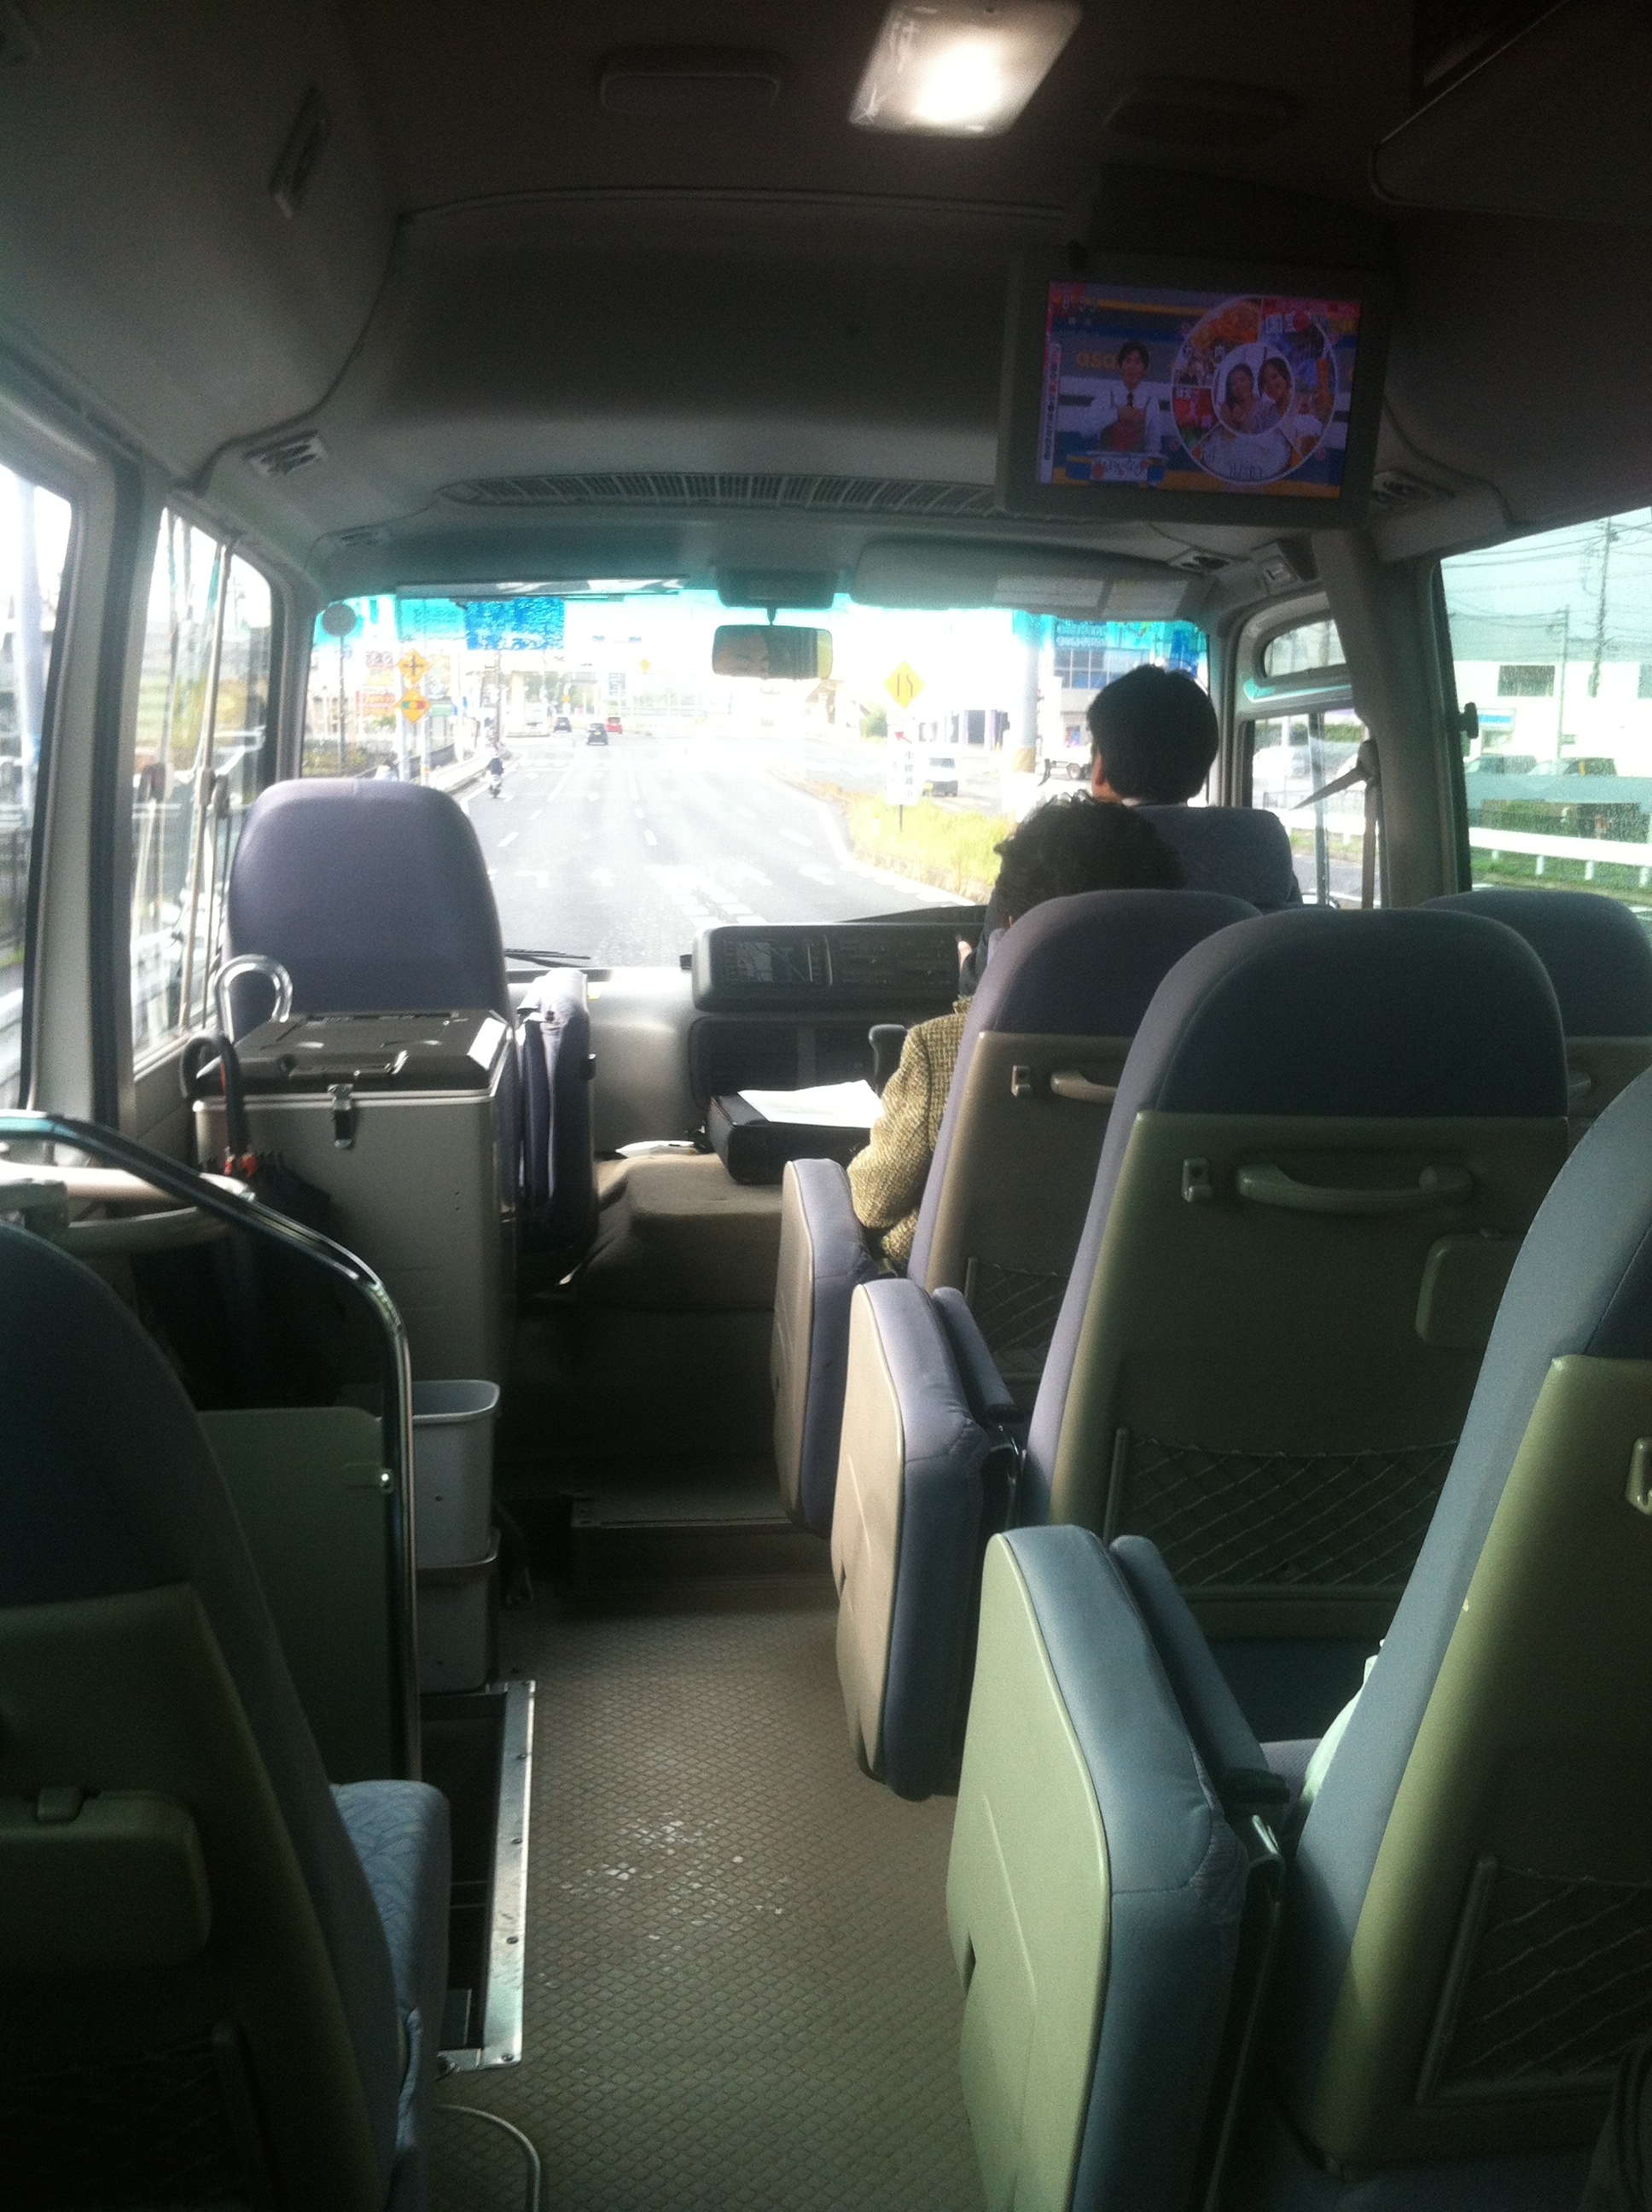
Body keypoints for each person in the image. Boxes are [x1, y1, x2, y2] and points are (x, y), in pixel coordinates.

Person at [847, 800, 1184, 1269]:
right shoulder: (1199, 1052)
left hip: (962, 1307)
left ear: (1010, 926)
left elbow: (872, 1202)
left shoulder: (945, 1049)